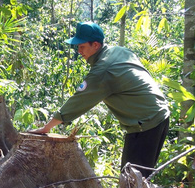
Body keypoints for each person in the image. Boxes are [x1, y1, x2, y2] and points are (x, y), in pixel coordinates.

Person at [31, 22, 170, 177]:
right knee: (136, 179)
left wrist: (46, 128)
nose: (79, 51)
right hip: (159, 113)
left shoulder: (103, 69)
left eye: (82, 46)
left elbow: (78, 101)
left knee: (132, 182)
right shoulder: (118, 51)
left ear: (95, 45)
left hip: (146, 123)